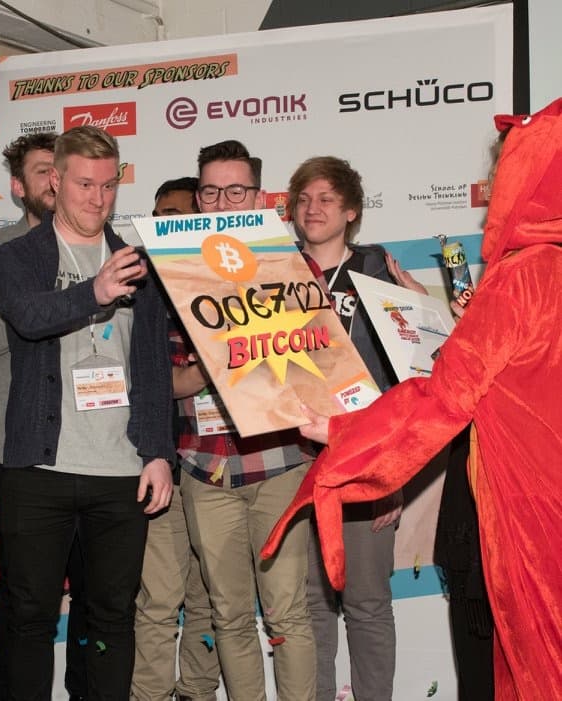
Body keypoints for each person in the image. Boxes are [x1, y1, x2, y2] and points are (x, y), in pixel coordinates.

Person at [263, 98, 562, 701]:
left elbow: (442, 397)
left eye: (503, 172)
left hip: (528, 512)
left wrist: (344, 433)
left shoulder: (520, 277)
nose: (491, 190)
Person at [0, 125, 174, 700]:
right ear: (55, 180)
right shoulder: (16, 257)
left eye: (109, 185)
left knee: (112, 618)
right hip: (37, 469)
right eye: (85, 184)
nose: (98, 198)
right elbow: (29, 318)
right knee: (29, 617)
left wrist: (159, 452)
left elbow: (153, 366)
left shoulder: (139, 264)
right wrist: (94, 291)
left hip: (120, 471)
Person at [0, 132, 91, 700]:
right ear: (17, 186)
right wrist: (32, 311)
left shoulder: (102, 249)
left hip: (91, 437)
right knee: (25, 590)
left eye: (62, 170)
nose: (55, 182)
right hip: (16, 440)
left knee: (94, 588)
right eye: (41, 172)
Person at [179, 139, 316, 700]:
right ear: (199, 197)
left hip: (280, 464)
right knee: (228, 616)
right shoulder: (173, 270)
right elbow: (165, 378)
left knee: (288, 615)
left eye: (236, 190)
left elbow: (317, 369)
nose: (222, 202)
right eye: (211, 191)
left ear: (259, 198)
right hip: (205, 468)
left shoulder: (291, 264)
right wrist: (213, 361)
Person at [289, 156, 424, 701]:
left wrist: (392, 472)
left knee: (367, 604)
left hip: (365, 460)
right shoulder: (272, 273)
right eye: (303, 199)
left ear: (350, 211)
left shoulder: (376, 272)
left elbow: (415, 378)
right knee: (309, 607)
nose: (312, 208)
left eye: (325, 199)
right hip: (292, 463)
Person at [132, 176, 221, 701]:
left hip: (217, 465)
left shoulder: (227, 282)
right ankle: (149, 694)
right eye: (159, 216)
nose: (165, 226)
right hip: (160, 460)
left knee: (208, 598)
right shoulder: (138, 284)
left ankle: (198, 691)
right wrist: (202, 371)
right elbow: (143, 379)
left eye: (178, 217)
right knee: (160, 598)